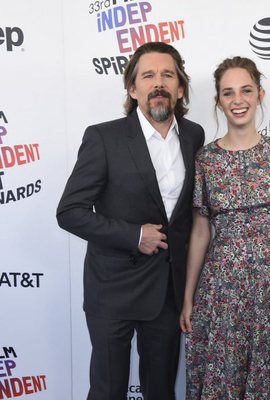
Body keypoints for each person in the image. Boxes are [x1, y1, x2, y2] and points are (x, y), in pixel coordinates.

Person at [57, 41, 204, 400]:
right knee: (108, 391)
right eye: (148, 75)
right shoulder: (103, 137)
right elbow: (70, 212)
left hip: (167, 290)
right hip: (113, 289)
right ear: (132, 88)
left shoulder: (195, 136)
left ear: (180, 88)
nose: (159, 83)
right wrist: (133, 234)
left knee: (161, 391)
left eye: (167, 75)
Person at [180, 56, 270, 399]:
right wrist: (188, 297)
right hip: (222, 287)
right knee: (223, 371)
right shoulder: (205, 160)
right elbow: (200, 232)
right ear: (218, 101)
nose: (238, 100)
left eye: (246, 90)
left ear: (260, 94)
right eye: (228, 93)